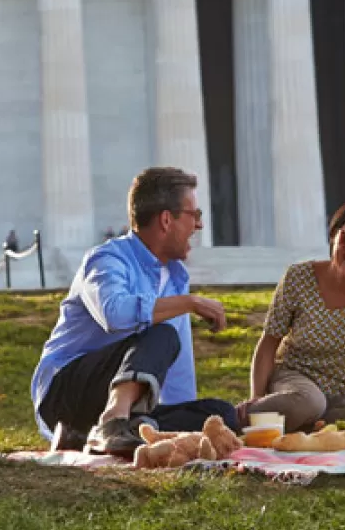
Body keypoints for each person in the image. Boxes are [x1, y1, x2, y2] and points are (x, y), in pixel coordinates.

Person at [31, 167, 237, 457]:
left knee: (222, 415)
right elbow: (115, 314)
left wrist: (189, 424)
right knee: (161, 334)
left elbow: (177, 374)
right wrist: (190, 302)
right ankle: (109, 423)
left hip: (127, 399)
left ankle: (101, 434)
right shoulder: (107, 260)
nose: (199, 226)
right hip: (67, 392)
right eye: (195, 215)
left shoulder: (176, 276)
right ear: (167, 219)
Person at [238, 200, 345, 433]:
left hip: (342, 395)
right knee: (309, 402)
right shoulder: (298, 277)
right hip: (294, 382)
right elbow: (269, 342)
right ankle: (238, 421)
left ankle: (297, 428)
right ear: (334, 235)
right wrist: (257, 399)